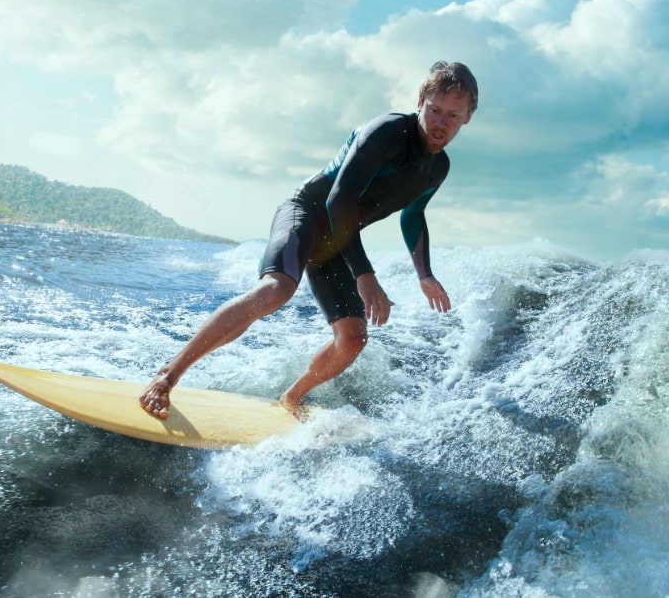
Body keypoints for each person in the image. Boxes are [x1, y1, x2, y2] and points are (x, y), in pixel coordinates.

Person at [140, 61, 478, 420]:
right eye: (435, 110)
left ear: (467, 118)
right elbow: (338, 200)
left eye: (452, 115)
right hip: (307, 212)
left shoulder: (438, 167)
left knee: (353, 338)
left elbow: (413, 215)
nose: (441, 122)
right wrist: (364, 274)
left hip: (337, 240)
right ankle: (167, 376)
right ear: (420, 102)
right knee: (274, 292)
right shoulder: (388, 132)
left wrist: (425, 275)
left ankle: (291, 398)